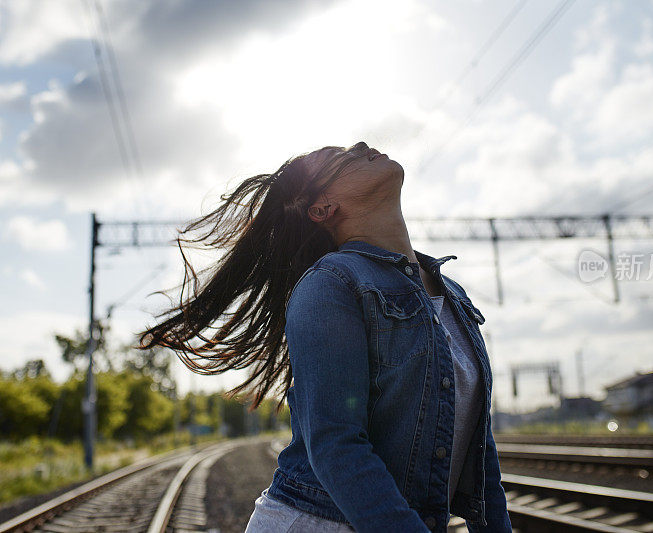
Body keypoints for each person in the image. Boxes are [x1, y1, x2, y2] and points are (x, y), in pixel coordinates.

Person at [137, 141, 512, 532]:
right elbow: (336, 445)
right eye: (342, 156)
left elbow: (480, 462)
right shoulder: (331, 284)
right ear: (323, 208)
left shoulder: (452, 294)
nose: (363, 145)